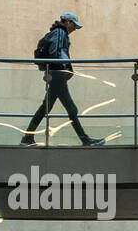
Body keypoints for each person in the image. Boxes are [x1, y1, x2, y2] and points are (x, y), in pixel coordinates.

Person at [20, 13, 104, 147]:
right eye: (74, 25)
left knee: (46, 107)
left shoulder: (56, 32)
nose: (75, 29)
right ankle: (85, 140)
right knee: (70, 109)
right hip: (58, 75)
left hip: (55, 75)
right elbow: (57, 53)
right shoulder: (60, 32)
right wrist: (63, 70)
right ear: (68, 22)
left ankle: (27, 138)